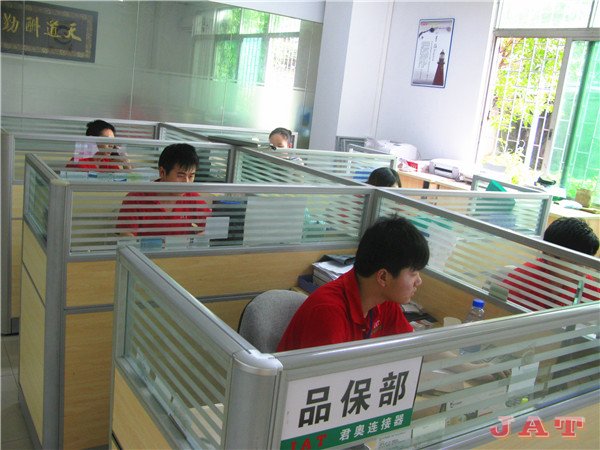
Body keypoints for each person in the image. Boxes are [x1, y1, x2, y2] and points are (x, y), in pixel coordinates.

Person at [277, 216, 429, 351]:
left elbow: (413, 348)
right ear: (383, 277)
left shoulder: (384, 300)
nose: (419, 281)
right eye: (413, 273)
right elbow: (326, 373)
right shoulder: (329, 312)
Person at [503, 217, 599, 310]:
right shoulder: (523, 280)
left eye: (586, 263)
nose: (582, 271)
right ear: (550, 255)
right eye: (575, 263)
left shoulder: (585, 284)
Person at [117, 143, 211, 237]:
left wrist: (199, 239)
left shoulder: (192, 198)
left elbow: (212, 227)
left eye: (191, 176)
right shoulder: (136, 199)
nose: (186, 182)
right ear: (162, 172)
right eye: (180, 175)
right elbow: (126, 236)